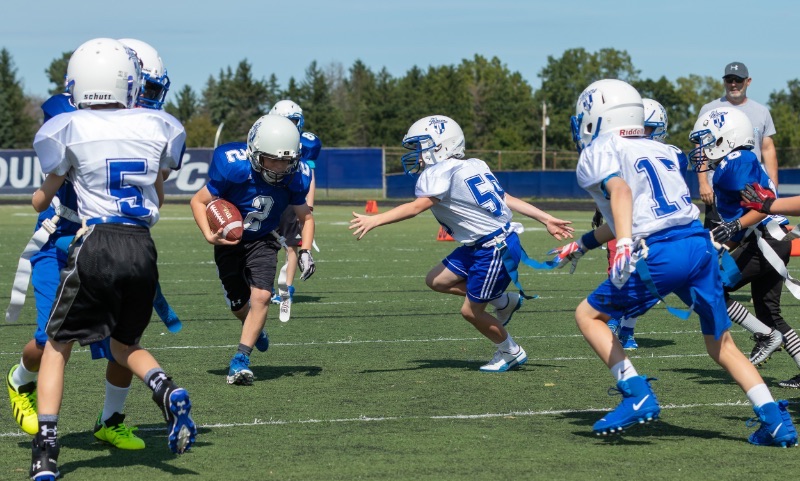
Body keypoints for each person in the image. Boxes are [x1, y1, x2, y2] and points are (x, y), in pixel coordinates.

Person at [549, 79, 796, 446]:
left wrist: (624, 246)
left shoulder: (599, 150)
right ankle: (776, 422)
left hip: (660, 250)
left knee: (588, 316)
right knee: (722, 346)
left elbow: (621, 193)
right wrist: (583, 244)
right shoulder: (663, 150)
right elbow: (633, 212)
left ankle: (636, 394)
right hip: (696, 245)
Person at [28, 37, 197, 479]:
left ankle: (45, 447)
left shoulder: (66, 126)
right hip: (142, 247)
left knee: (58, 344)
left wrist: (44, 190)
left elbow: (40, 199)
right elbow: (158, 190)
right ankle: (164, 388)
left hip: (95, 243)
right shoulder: (160, 126)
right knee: (126, 345)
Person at [349, 115, 574, 372]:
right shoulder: (474, 164)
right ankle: (502, 302)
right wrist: (545, 218)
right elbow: (507, 197)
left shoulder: (439, 173)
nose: (418, 155)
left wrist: (375, 220)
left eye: (422, 147)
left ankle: (510, 351)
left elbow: (415, 208)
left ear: (441, 146)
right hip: (483, 244)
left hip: (493, 248)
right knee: (437, 280)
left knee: (470, 312)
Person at [190, 114, 316, 386]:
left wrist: (305, 250)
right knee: (239, 304)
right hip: (230, 241)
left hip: (264, 239)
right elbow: (198, 202)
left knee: (260, 296)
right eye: (272, 159)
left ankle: (240, 359)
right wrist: (210, 235)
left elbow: (306, 217)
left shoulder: (295, 177)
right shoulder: (234, 168)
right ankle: (254, 329)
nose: (279, 167)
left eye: (285, 160)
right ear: (254, 152)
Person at [690, 108, 800, 390]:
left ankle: (765, 336)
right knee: (769, 311)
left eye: (708, 140)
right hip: (767, 240)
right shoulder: (735, 162)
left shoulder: (736, 161)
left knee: (711, 287)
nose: (703, 149)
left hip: (765, 240)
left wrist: (732, 228)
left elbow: (759, 210)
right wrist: (724, 242)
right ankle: (773, 338)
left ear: (727, 138)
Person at [604, 98, 687, 350]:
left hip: (652, 226)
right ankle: (617, 321)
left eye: (647, 129)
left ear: (658, 128)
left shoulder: (670, 154)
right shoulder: (624, 151)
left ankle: (625, 327)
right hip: (624, 221)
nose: (640, 135)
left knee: (642, 277)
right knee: (618, 272)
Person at [696, 62, 778, 230]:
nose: (733, 84)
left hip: (753, 189)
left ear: (748, 81)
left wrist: (773, 187)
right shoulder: (710, 109)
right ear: (724, 82)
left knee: (752, 242)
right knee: (715, 242)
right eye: (729, 80)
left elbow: (768, 149)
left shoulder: (761, 111)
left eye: (738, 80)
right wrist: (703, 182)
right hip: (719, 189)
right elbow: (701, 148)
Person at [267, 99, 322, 320]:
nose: (290, 126)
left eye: (293, 121)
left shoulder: (306, 145)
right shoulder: (266, 137)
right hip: (270, 199)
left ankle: (286, 289)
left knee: (290, 247)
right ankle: (264, 286)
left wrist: (309, 205)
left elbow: (310, 175)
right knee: (265, 245)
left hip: (292, 201)